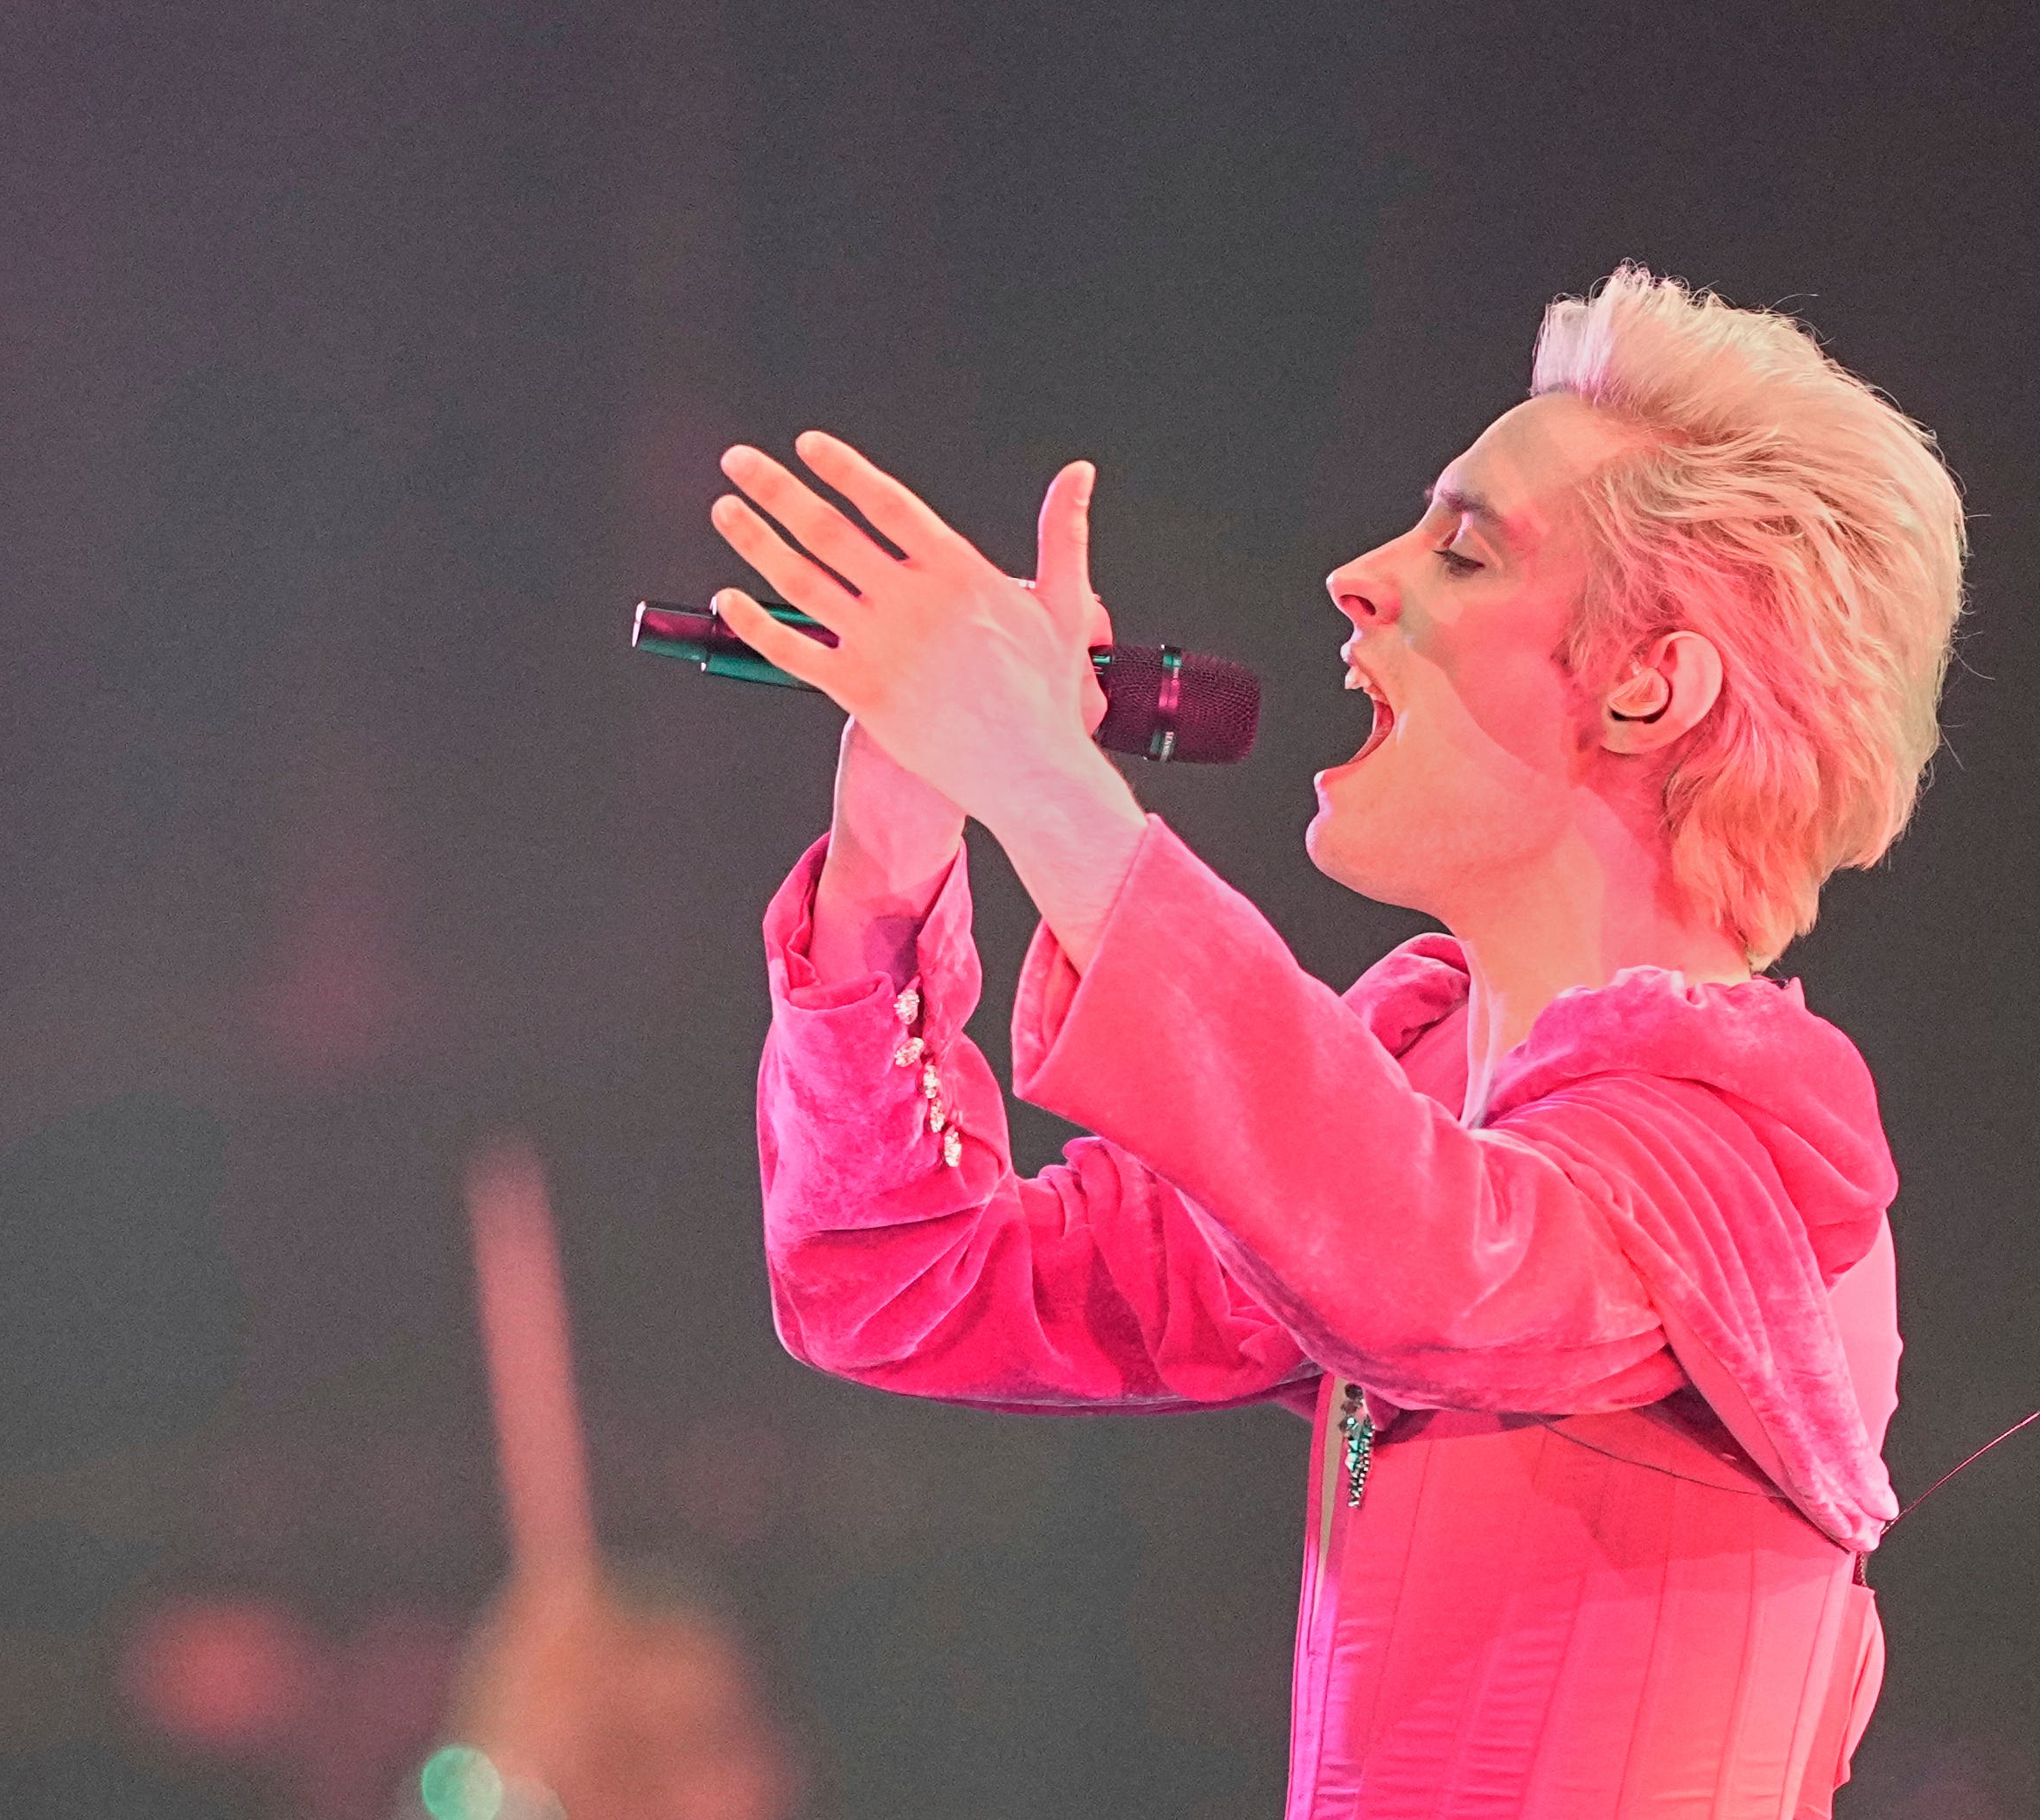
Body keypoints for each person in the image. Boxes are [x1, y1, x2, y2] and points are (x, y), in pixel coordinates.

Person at [709, 264, 1964, 1818]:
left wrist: (1051, 787)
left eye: (1463, 547)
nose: (1358, 578)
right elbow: (895, 1282)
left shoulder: (1738, 1153)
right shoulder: (1412, 1103)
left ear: (1648, 685)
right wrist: (896, 841)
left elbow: (1423, 1251)